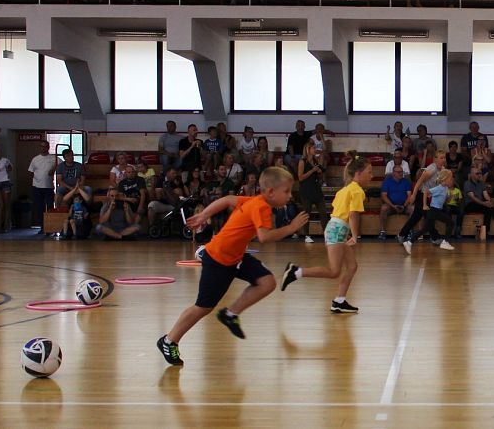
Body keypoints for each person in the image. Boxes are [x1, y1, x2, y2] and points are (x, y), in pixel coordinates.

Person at [157, 167, 309, 365]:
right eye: (287, 191)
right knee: (203, 307)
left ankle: (230, 314)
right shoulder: (261, 206)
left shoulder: (254, 201)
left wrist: (204, 215)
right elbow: (264, 237)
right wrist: (291, 228)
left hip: (235, 257)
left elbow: (228, 199)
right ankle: (169, 340)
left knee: (267, 282)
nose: (290, 196)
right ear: (271, 191)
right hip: (218, 259)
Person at [282, 151, 372, 312]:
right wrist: (355, 236)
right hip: (337, 230)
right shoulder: (357, 191)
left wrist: (346, 232)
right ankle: (296, 272)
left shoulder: (346, 189)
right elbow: (353, 215)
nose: (372, 176)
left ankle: (339, 301)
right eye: (369, 172)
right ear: (358, 174)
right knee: (334, 271)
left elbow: (341, 213)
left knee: (352, 266)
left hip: (336, 228)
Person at [398, 150, 446, 245]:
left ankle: (402, 234)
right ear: (435, 159)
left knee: (416, 216)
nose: (443, 160)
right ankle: (435, 237)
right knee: (428, 217)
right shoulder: (431, 170)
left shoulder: (443, 169)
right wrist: (413, 195)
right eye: (441, 158)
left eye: (444, 157)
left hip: (427, 195)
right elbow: (419, 182)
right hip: (421, 194)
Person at [405, 170, 457, 252]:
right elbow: (426, 192)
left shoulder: (446, 188)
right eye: (450, 178)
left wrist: (450, 197)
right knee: (450, 223)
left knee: (425, 229)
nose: (452, 180)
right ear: (445, 179)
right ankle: (445, 242)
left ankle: (409, 242)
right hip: (433, 211)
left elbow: (445, 200)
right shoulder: (438, 188)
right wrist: (425, 205)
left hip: (437, 211)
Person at [463, 166, 494, 235]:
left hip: (480, 204)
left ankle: (485, 231)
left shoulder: (481, 183)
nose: (479, 175)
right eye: (477, 173)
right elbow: (472, 197)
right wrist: (484, 203)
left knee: (488, 209)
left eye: (480, 173)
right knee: (487, 208)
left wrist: (489, 202)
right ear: (471, 175)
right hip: (470, 204)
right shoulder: (467, 183)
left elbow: (486, 195)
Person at [296, 144, 326, 244]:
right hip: (306, 190)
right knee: (307, 213)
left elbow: (319, 176)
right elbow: (300, 177)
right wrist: (312, 170)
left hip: (316, 189)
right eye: (313, 148)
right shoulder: (302, 161)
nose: (315, 149)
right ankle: (307, 235)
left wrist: (320, 172)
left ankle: (326, 234)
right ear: (307, 149)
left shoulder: (316, 161)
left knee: (323, 212)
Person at [378, 164, 413, 240]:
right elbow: (384, 196)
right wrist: (393, 206)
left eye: (401, 172)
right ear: (393, 173)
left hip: (404, 206)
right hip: (391, 206)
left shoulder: (406, 182)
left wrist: (404, 205)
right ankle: (382, 231)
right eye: (398, 172)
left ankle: (409, 231)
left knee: (412, 208)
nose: (400, 174)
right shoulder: (387, 182)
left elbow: (409, 195)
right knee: (384, 208)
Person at [28, 140, 57, 231]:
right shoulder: (35, 159)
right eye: (42, 146)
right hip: (37, 187)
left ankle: (51, 227)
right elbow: (31, 172)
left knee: (50, 206)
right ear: (40, 147)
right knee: (40, 208)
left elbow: (62, 166)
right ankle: (42, 227)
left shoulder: (54, 158)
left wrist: (54, 169)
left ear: (48, 147)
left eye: (45, 146)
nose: (43, 148)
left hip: (49, 187)